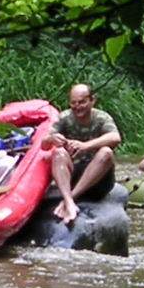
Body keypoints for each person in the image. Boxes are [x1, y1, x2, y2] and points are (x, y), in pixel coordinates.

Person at [42, 84, 121, 224]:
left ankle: (70, 199)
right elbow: (44, 145)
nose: (77, 106)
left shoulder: (102, 117)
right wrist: (51, 139)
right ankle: (69, 202)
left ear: (92, 101)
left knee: (106, 152)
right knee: (58, 152)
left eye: (82, 102)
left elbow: (115, 138)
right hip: (73, 175)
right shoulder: (64, 118)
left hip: (99, 179)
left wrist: (85, 146)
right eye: (73, 102)